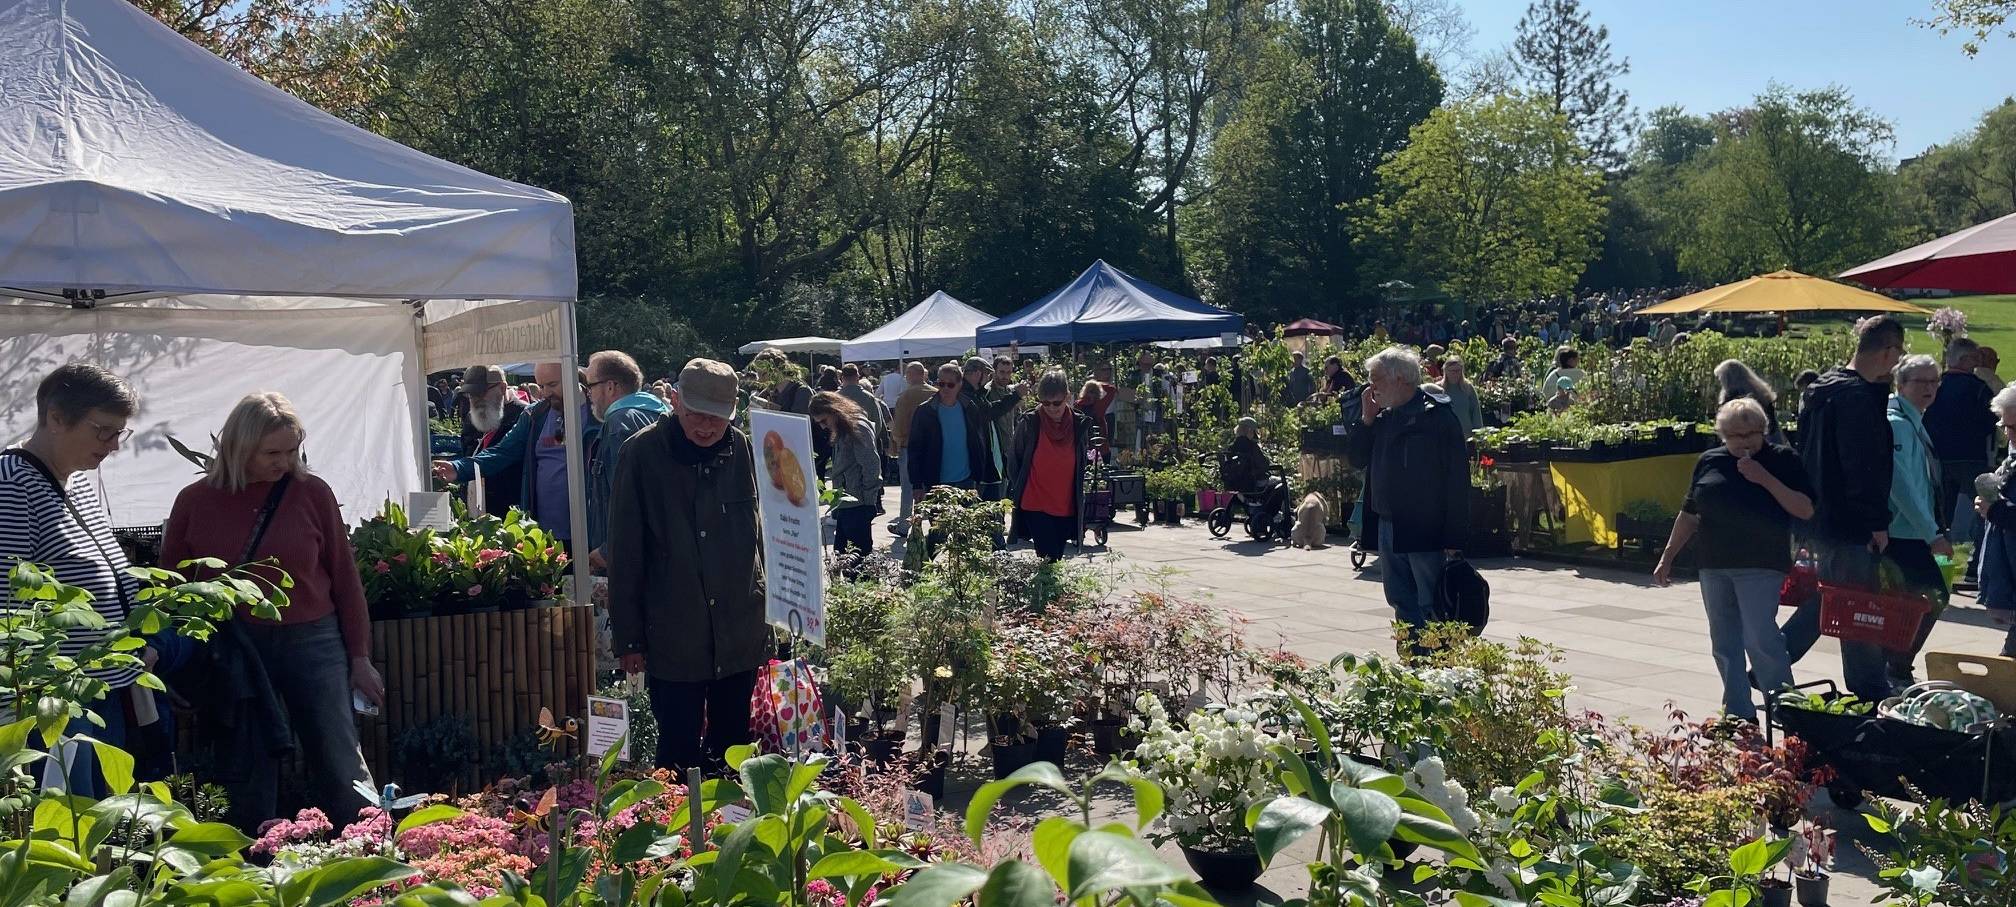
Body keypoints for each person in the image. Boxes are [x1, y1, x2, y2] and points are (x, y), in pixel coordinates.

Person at [160, 392, 380, 829]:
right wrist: (176, 659)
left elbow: (345, 578)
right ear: (240, 448)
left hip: (313, 639)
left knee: (340, 759)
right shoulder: (194, 500)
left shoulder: (312, 492)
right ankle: (249, 856)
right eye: (272, 453)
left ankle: (370, 844)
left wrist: (360, 657)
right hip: (235, 646)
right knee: (246, 767)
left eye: (292, 450)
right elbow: (172, 587)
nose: (285, 462)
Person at [607, 358, 767, 773]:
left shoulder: (742, 449)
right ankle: (677, 814)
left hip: (738, 629)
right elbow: (625, 551)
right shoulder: (641, 453)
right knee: (677, 753)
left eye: (717, 417)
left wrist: (772, 617)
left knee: (733, 752)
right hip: (674, 632)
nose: (706, 426)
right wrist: (629, 639)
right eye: (696, 414)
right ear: (675, 401)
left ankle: (728, 814)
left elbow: (761, 537)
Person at [0, 364, 149, 795]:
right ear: (56, 418)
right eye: (103, 431)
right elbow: (8, 606)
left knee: (102, 813)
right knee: (66, 815)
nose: (114, 445)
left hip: (98, 688)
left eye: (120, 433)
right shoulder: (11, 484)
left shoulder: (78, 482)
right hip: (49, 702)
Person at [1653, 398, 1813, 719]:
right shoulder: (1709, 461)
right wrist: (1668, 555)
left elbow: (1805, 509)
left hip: (1761, 563)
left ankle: (1786, 709)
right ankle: (1739, 712)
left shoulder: (1782, 459)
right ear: (1722, 435)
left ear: (1763, 430)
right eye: (1735, 436)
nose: (1744, 442)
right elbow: (1689, 513)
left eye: (1751, 434)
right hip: (1714, 564)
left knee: (1760, 637)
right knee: (1724, 641)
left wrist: (1764, 478)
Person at [1780, 316, 1906, 702]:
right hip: (1849, 517)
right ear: (1887, 351)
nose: (1897, 361)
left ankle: (1774, 658)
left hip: (1821, 512)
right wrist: (1876, 522)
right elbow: (1863, 466)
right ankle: (1867, 685)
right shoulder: (1857, 397)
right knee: (1853, 601)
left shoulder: (1822, 388)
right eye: (1898, 353)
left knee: (1838, 594)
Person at [1346, 347, 1468, 642]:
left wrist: (1454, 537)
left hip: (1424, 526)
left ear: (1400, 379)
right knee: (1400, 600)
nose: (1371, 386)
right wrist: (1366, 420)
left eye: (1376, 379)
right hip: (1388, 523)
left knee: (1431, 603)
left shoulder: (1436, 417)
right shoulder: (1384, 418)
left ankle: (1436, 662)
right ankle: (1411, 659)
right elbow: (1356, 459)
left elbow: (1457, 481)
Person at [435, 362, 580, 545]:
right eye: (542, 386)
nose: (545, 393)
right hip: (540, 530)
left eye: (552, 385)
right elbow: (501, 452)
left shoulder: (594, 415)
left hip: (584, 529)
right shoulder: (534, 415)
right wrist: (458, 468)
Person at [1880, 355, 1954, 685]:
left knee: (1912, 601)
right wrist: (1932, 534)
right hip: (1903, 531)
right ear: (1901, 384)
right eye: (1921, 382)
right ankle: (1894, 666)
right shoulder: (1897, 423)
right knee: (1930, 597)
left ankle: (1893, 664)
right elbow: (1901, 486)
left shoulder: (1913, 420)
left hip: (1911, 530)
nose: (1929, 388)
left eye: (1934, 381)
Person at [584, 351, 669, 571]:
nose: (588, 394)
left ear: (610, 387)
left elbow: (629, 498)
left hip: (628, 560)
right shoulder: (659, 413)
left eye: (590, 386)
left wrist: (607, 551)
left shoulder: (618, 423)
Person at [1923, 339, 1996, 584]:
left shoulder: (1934, 386)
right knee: (1977, 510)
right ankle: (1973, 566)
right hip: (1971, 458)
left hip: (1937, 457)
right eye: (1975, 358)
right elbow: (1990, 422)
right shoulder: (1979, 388)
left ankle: (1934, 563)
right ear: (1964, 360)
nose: (1978, 363)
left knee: (1939, 511)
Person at [1006, 371, 1099, 562]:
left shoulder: (1079, 424)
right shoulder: (1030, 422)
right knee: (1048, 557)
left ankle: (1047, 581)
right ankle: (1047, 581)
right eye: (1045, 403)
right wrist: (1020, 486)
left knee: (1056, 555)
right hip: (1035, 502)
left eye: (1056, 403)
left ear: (1067, 397)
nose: (1051, 408)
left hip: (1065, 503)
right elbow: (1014, 460)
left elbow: (1081, 461)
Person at [1971, 385, 2016, 656]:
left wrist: (1996, 511)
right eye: (2006, 426)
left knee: (2008, 665)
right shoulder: (2011, 461)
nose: (2009, 435)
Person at [811, 392, 880, 559]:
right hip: (846, 502)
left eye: (824, 421)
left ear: (834, 410)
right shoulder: (843, 428)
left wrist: (869, 502)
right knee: (841, 555)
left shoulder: (858, 427)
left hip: (858, 503)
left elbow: (871, 465)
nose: (823, 427)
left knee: (857, 557)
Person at [909, 363, 994, 494]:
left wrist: (979, 475)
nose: (945, 388)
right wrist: (917, 485)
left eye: (950, 384)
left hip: (967, 481)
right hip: (935, 483)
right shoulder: (925, 411)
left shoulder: (970, 408)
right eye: (941, 384)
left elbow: (979, 442)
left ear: (960, 384)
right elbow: (915, 449)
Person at [456, 365, 531, 512]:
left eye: (481, 393)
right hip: (476, 505)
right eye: (471, 394)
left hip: (512, 507)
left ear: (502, 388)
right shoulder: (471, 418)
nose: (475, 399)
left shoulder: (524, 415)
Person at [961, 357, 1023, 500]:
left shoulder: (976, 393)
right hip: (980, 462)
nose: (1005, 376)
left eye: (1009, 372)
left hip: (995, 457)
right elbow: (990, 412)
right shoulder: (970, 395)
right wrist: (1016, 396)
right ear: (978, 374)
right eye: (988, 374)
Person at [887, 361, 935, 537]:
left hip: (909, 446)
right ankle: (933, 523)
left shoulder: (905, 396)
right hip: (932, 448)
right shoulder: (935, 393)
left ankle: (904, 525)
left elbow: (899, 425)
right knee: (931, 487)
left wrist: (896, 443)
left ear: (911, 375)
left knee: (908, 488)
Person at [1715, 359, 1782, 442]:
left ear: (1728, 379)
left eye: (1721, 378)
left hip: (1746, 442)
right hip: (1768, 438)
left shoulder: (1733, 400)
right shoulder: (1761, 393)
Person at [1430, 357, 1483, 434]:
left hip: (1465, 434)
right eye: (1452, 371)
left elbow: (1476, 411)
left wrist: (1478, 432)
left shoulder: (1467, 387)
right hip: (1444, 435)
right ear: (1445, 371)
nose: (1455, 373)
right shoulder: (1437, 389)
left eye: (1458, 370)